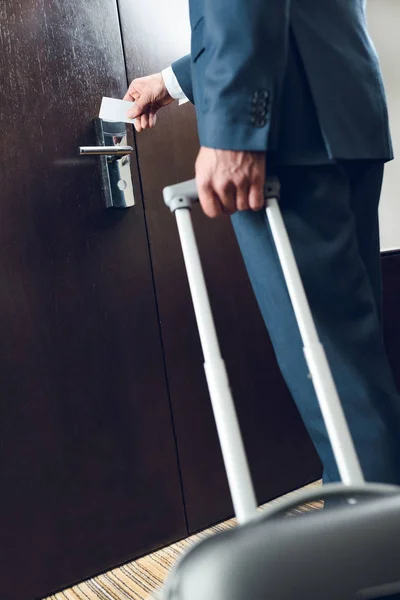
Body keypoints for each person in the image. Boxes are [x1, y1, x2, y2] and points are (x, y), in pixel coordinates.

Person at [123, 0, 400, 486]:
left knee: (341, 393)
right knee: (354, 375)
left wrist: (236, 129)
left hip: (285, 137)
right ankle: (363, 537)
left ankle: (372, 555)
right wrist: (169, 82)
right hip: (339, 111)